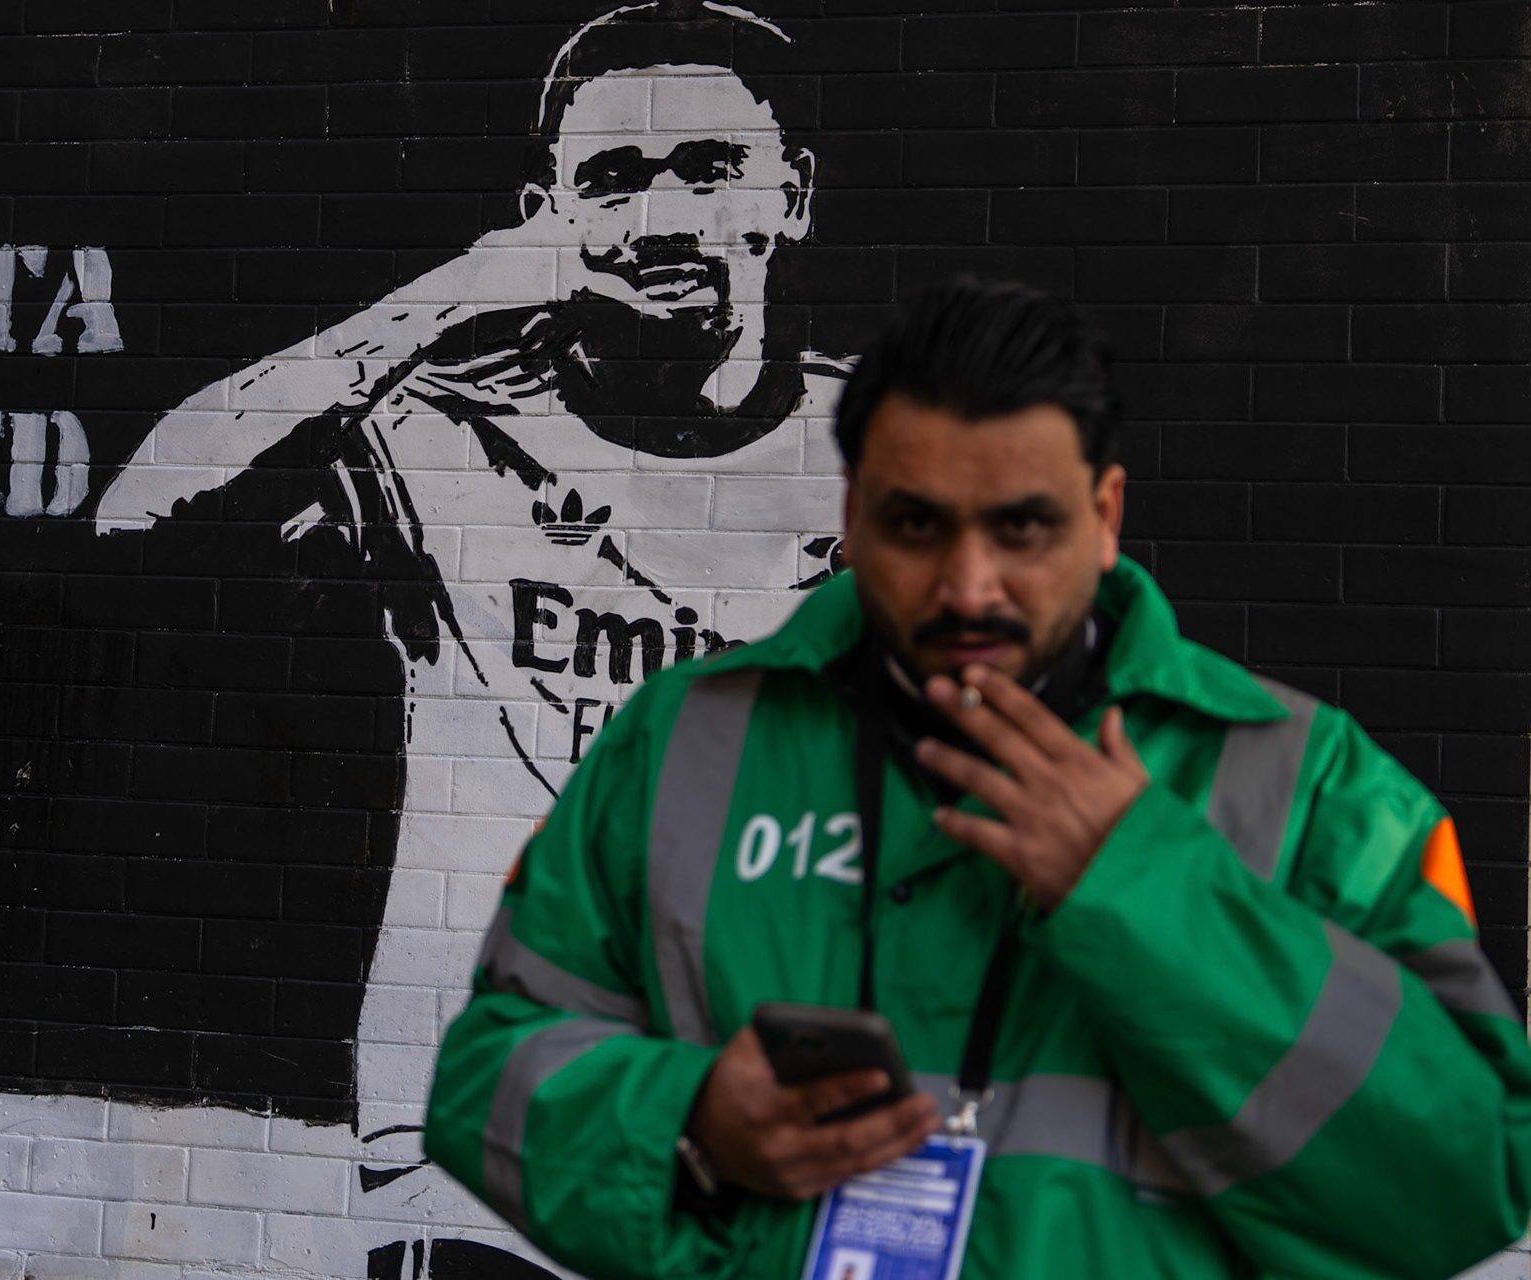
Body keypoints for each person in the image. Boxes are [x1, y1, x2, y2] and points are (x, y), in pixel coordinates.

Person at [426, 276, 1531, 1280]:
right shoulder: (682, 743)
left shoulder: (1312, 781)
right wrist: (691, 1122)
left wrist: (1142, 889)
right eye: (917, 524)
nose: (969, 586)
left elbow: (1464, 1180)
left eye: (1022, 528)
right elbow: (485, 1081)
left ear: (1103, 518)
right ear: (852, 518)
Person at [94, 2, 848, 1268]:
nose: (660, 219)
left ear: (794, 195)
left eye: (710, 169)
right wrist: (464, 288)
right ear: (545, 210)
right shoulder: (436, 431)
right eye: (608, 181)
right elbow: (142, 517)